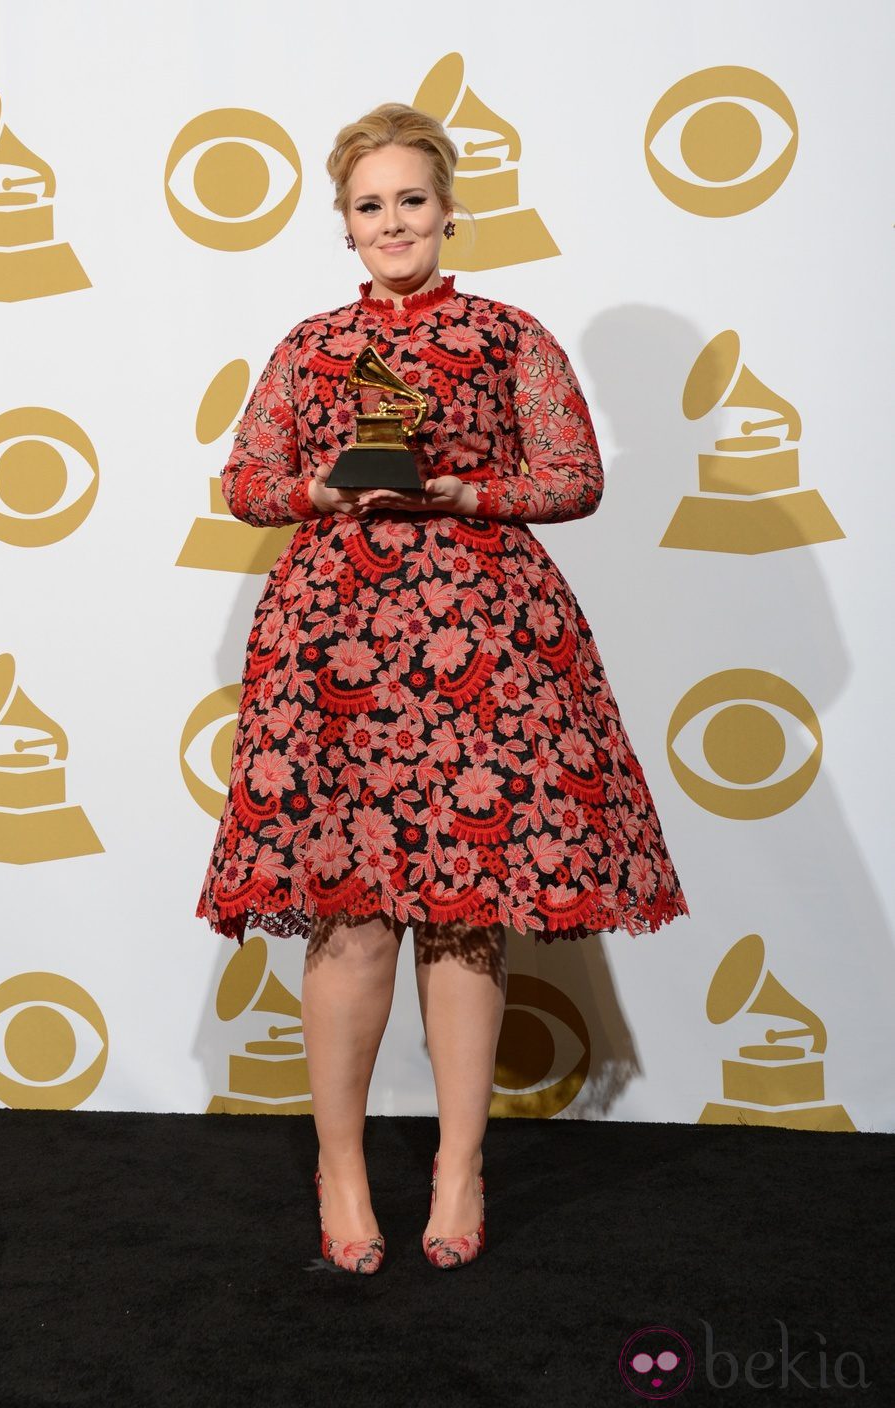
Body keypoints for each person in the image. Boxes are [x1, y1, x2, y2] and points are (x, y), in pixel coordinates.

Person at [196, 102, 690, 1274]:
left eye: (410, 200)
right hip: (336, 644)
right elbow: (245, 480)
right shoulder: (309, 348)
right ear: (344, 223)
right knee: (351, 911)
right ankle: (343, 1172)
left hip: (483, 643)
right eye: (369, 206)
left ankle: (459, 1165)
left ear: (447, 206)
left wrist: (464, 496)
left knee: (466, 908)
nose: (392, 222)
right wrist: (323, 493)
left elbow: (573, 475)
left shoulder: (508, 334)